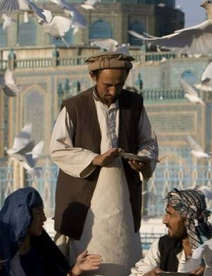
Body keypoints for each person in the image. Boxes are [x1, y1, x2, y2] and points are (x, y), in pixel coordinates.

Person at [50, 52, 159, 276]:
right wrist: (94, 159)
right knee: (89, 254)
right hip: (85, 201)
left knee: (123, 255)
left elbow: (148, 141)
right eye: (107, 85)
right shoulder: (74, 107)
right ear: (93, 77)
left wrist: (142, 160)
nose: (113, 91)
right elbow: (58, 148)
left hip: (123, 200)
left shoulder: (134, 104)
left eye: (118, 85)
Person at [0, 187, 102, 276]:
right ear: (21, 216)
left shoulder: (41, 250)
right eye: (38, 213)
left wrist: (76, 269)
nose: (44, 219)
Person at [130, 189, 212, 275]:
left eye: (170, 214)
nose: (164, 220)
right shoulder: (162, 245)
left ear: (188, 219)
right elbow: (139, 272)